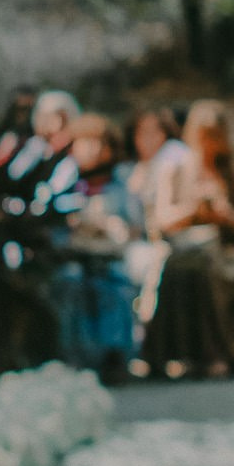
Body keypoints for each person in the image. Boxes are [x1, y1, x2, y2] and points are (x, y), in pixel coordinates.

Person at [140, 99, 234, 378]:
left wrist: (221, 211)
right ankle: (174, 353)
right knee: (186, 269)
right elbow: (162, 219)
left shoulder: (233, 174)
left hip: (220, 250)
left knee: (209, 268)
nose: (209, 145)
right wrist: (193, 209)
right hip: (180, 247)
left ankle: (215, 353)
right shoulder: (176, 168)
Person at [43, 114, 141, 380]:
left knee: (115, 287)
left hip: (109, 256)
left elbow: (135, 225)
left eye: (100, 144)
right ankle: (74, 357)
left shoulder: (120, 183)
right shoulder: (64, 180)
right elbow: (46, 218)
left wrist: (110, 225)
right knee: (71, 283)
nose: (93, 150)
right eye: (86, 143)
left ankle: (114, 356)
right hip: (73, 256)